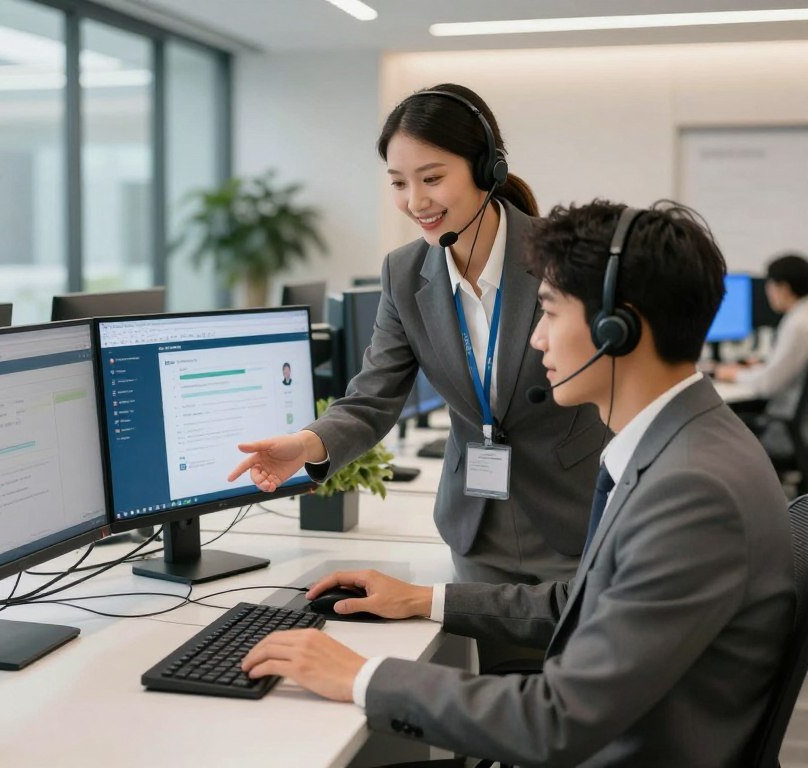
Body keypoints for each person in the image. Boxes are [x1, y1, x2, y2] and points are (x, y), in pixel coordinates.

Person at [241, 200, 795, 766]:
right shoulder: (682, 443)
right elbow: (586, 602)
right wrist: (424, 599)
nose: (535, 340)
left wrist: (361, 676)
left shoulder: (693, 490)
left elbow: (557, 721)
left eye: (549, 313)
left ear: (616, 328)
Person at [229, 84, 602, 598]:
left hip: (575, 518)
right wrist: (307, 444)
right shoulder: (404, 274)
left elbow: (617, 379)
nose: (415, 201)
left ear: (486, 168)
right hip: (476, 526)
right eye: (399, 183)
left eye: (432, 178)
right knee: (482, 668)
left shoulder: (561, 256)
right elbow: (371, 397)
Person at [715, 253, 808, 454]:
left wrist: (733, 374)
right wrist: (761, 365)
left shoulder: (797, 324)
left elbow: (767, 385)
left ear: (783, 287)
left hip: (785, 430)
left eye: (770, 285)